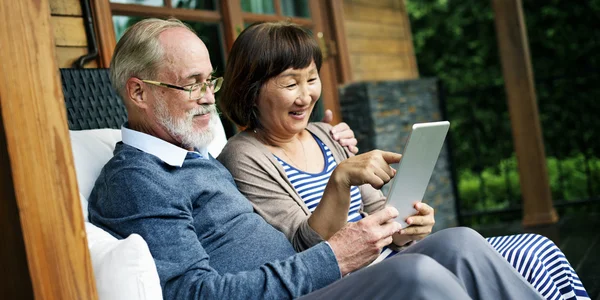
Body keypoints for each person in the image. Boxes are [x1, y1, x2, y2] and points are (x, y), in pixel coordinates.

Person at [88, 18, 546, 300]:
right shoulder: (137, 178)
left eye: (212, 81)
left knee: (460, 243)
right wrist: (334, 257)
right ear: (138, 92)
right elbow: (193, 293)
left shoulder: (195, 159)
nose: (209, 98)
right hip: (306, 287)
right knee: (419, 274)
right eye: (193, 84)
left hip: (313, 278)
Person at [217, 21, 590, 300]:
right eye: (289, 83)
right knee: (422, 269)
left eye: (311, 79)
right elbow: (306, 252)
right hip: (336, 279)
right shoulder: (244, 155)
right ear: (251, 89)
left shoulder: (326, 135)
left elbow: (381, 215)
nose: (305, 95)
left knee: (460, 238)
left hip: (382, 257)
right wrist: (340, 180)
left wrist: (407, 225)